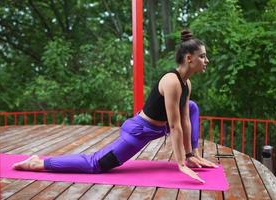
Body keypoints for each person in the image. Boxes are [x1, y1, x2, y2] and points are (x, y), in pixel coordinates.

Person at [13, 30, 218, 183]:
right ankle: (38, 163)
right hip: (139, 131)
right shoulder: (171, 81)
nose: (206, 60)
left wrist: (190, 155)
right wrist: (180, 163)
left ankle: (193, 156)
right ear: (189, 58)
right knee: (96, 165)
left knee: (191, 107)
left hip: (157, 128)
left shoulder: (186, 83)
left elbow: (184, 119)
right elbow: (175, 127)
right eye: (202, 56)